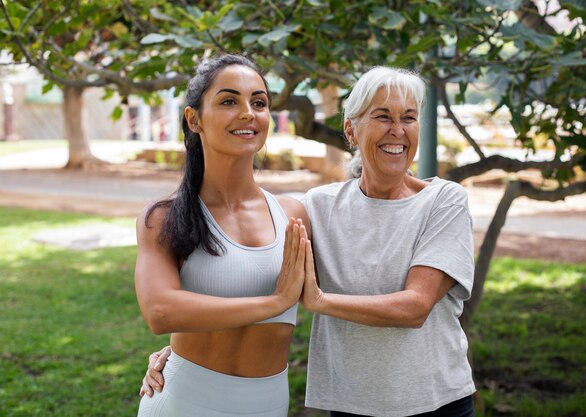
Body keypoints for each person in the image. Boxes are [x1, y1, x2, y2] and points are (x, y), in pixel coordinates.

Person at [141, 66, 476, 417]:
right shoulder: (316, 207)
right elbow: (238, 270)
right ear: (351, 130)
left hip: (437, 405)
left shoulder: (443, 200)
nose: (398, 130)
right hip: (350, 406)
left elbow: (416, 306)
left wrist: (318, 300)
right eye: (382, 116)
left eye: (409, 118)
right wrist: (180, 354)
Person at [134, 53, 311, 417]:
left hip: (269, 404)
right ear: (194, 118)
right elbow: (160, 311)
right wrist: (274, 304)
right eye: (229, 101)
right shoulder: (164, 218)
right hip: (185, 400)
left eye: (258, 102)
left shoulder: (294, 213)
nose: (248, 113)